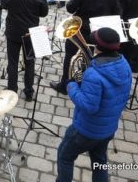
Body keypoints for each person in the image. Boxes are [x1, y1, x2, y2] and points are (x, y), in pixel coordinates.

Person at [56, 27, 132, 182]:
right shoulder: (124, 64)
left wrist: (71, 86)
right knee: (99, 162)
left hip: (86, 129)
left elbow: (89, 106)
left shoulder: (94, 73)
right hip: (108, 128)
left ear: (98, 47)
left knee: (65, 157)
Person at [50, 0, 121, 95]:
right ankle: (85, 83)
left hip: (80, 30)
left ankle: (65, 84)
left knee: (70, 57)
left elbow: (70, 8)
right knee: (91, 58)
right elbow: (117, 13)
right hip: (99, 33)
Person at [1, 0, 48, 101]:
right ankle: (28, 92)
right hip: (31, 33)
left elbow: (3, 5)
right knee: (30, 62)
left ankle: (12, 90)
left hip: (13, 31)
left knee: (13, 62)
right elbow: (44, 13)